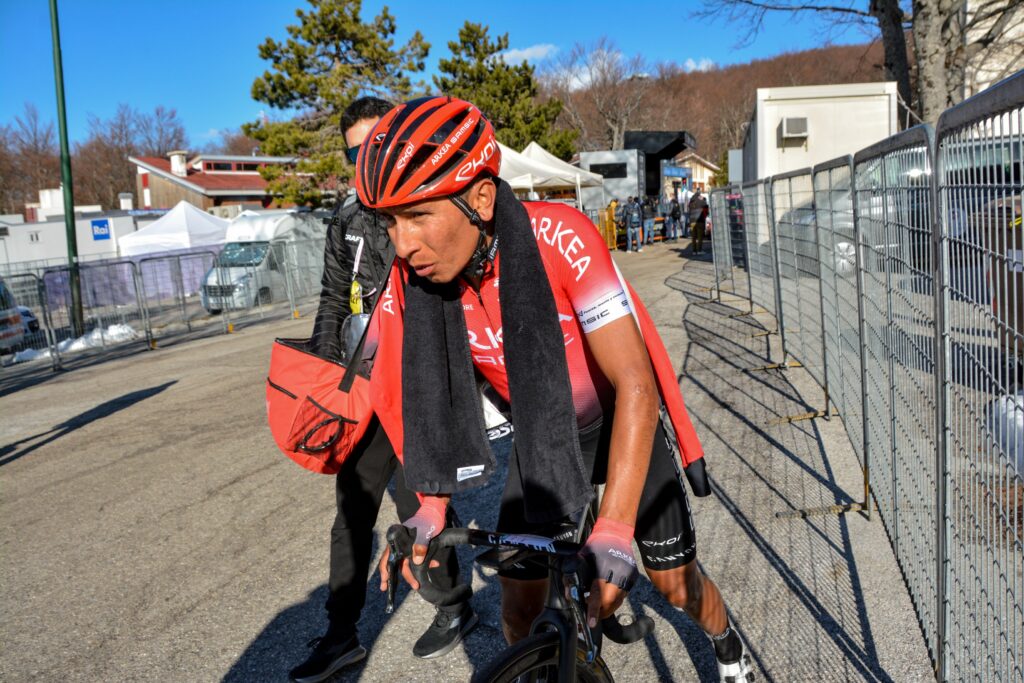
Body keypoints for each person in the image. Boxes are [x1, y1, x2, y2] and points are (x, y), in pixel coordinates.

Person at [357, 97, 754, 683]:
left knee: (674, 585)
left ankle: (727, 646)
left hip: (615, 424)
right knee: (519, 608)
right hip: (542, 436)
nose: (403, 244)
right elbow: (419, 395)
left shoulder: (560, 235)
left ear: (481, 198)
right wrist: (431, 506)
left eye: (417, 216)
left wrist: (616, 529)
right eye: (390, 223)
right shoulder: (416, 279)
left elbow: (635, 381)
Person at [290, 96, 477, 683]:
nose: (362, 159)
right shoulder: (345, 221)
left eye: (374, 146)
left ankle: (453, 604)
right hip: (362, 381)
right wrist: (322, 381)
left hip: (414, 383)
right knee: (351, 508)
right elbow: (329, 298)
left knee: (417, 502)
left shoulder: (424, 207)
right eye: (354, 151)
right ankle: (341, 634)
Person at [689, 189, 709, 254]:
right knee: (700, 236)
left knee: (693, 237)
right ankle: (699, 250)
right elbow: (706, 209)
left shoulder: (691, 201)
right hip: (700, 220)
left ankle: (694, 251)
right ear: (699, 195)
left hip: (692, 220)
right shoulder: (701, 200)